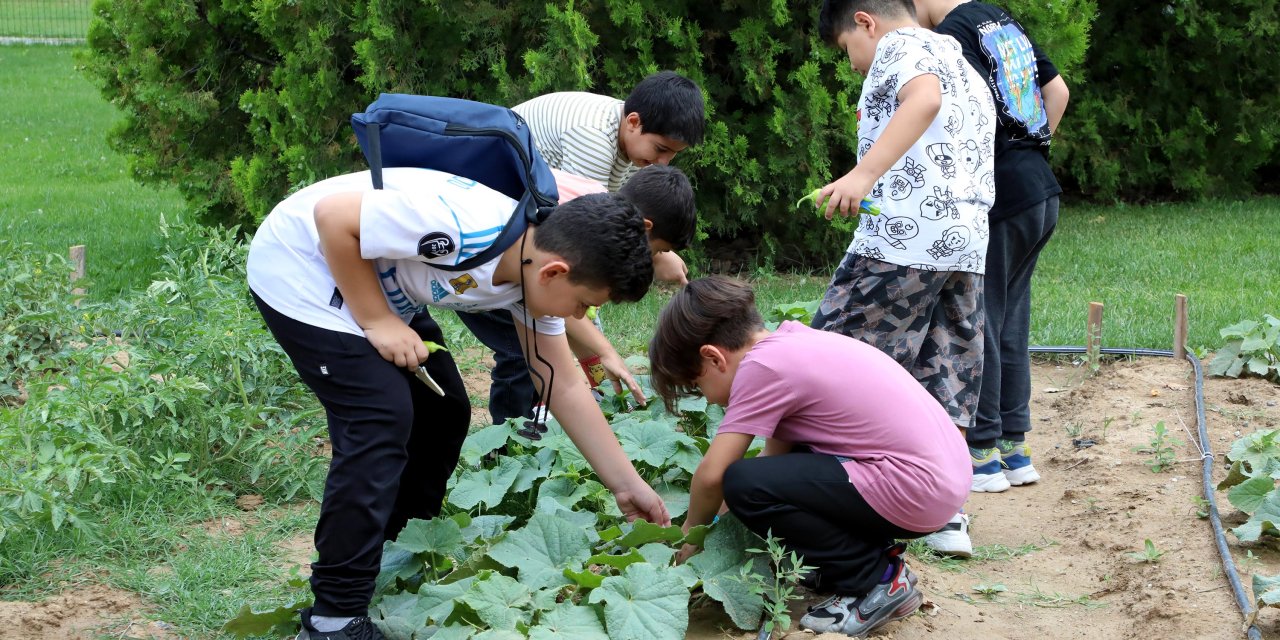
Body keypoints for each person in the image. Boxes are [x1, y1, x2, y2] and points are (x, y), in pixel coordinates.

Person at [246, 166, 670, 640]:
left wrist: (627, 484)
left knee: (444, 411)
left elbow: (564, 386)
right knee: (382, 416)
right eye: (581, 305)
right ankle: (334, 618)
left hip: (381, 287)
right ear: (556, 271)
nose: (578, 318)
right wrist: (377, 321)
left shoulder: (531, 272)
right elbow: (334, 217)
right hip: (303, 267)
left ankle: (394, 552)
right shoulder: (464, 229)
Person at [649, 277, 970, 638]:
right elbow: (777, 458)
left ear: (713, 357)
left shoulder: (761, 367)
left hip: (916, 489)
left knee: (741, 480)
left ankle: (874, 580)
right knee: (761, 479)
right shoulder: (792, 342)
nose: (705, 398)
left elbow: (714, 477)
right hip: (940, 481)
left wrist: (692, 539)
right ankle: (863, 558)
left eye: (697, 386)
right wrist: (726, 534)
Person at [806, 0, 996, 557]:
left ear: (865, 21)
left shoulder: (901, 45)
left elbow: (924, 98)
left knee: (830, 357)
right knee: (948, 363)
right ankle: (946, 511)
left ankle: (827, 502)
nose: (852, 66)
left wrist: (863, 174)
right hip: (965, 240)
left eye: (846, 50)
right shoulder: (960, 58)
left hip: (904, 237)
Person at [457, 70, 706, 426]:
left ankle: (532, 419)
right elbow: (580, 261)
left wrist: (661, 252)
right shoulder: (590, 139)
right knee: (522, 346)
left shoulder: (632, 148)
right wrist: (602, 352)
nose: (663, 162)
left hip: (518, 233)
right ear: (633, 122)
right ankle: (508, 441)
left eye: (673, 155)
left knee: (542, 330)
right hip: (479, 234)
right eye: (661, 149)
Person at [912, 0, 1070, 495]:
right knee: (1010, 321)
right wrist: (1030, 148)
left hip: (1002, 196)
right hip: (1040, 189)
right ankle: (1015, 449)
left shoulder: (953, 33)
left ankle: (980, 455)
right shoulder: (998, 18)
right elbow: (1056, 90)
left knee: (982, 318)